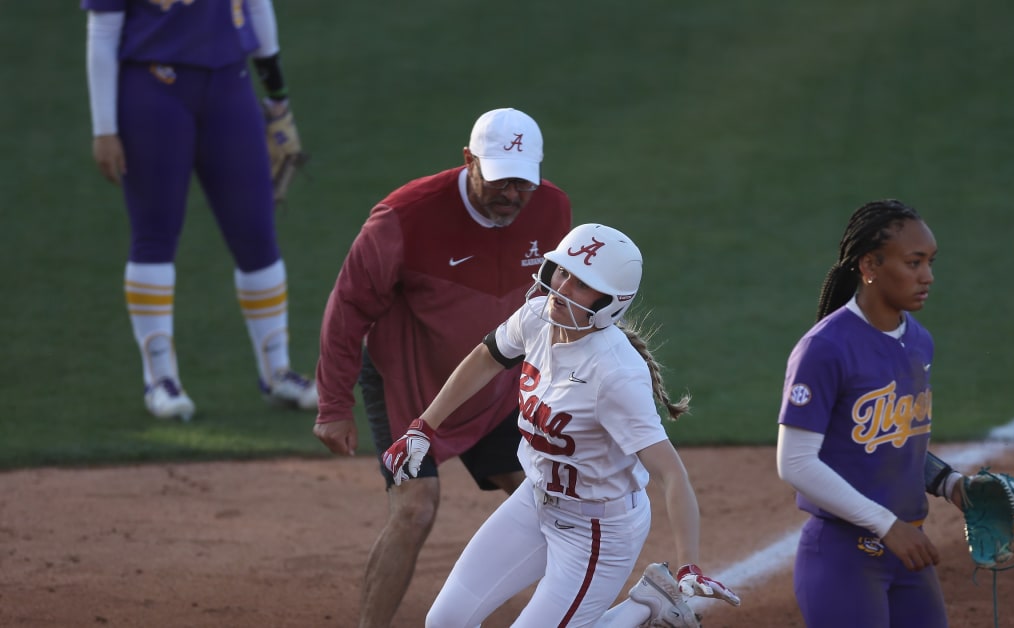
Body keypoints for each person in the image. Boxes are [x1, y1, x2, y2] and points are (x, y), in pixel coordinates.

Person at [382, 223, 741, 627]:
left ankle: (649, 604)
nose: (563, 288)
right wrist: (423, 427)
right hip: (533, 502)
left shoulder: (616, 375)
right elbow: (486, 358)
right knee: (444, 620)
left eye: (582, 284)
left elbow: (671, 475)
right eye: (563, 272)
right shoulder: (537, 316)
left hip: (597, 533)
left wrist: (689, 565)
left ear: (610, 303)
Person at [312, 108, 572, 627]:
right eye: (499, 180)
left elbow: (553, 304)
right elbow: (348, 309)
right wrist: (333, 405)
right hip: (411, 390)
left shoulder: (553, 209)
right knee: (416, 508)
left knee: (554, 502)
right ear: (468, 160)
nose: (512, 195)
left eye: (523, 182)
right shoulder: (404, 218)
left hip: (497, 387)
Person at [82, 0, 317, 421]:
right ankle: (160, 380)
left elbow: (257, 4)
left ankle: (277, 372)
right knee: (154, 235)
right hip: (152, 88)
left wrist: (278, 97)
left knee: (256, 233)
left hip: (231, 85)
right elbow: (102, 31)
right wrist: (104, 130)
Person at [775, 199, 972, 627]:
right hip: (844, 558)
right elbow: (795, 463)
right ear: (870, 265)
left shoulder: (918, 341)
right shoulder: (824, 348)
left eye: (930, 262)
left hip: (907, 553)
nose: (927, 276)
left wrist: (952, 484)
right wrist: (886, 524)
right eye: (914, 263)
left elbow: (890, 444)